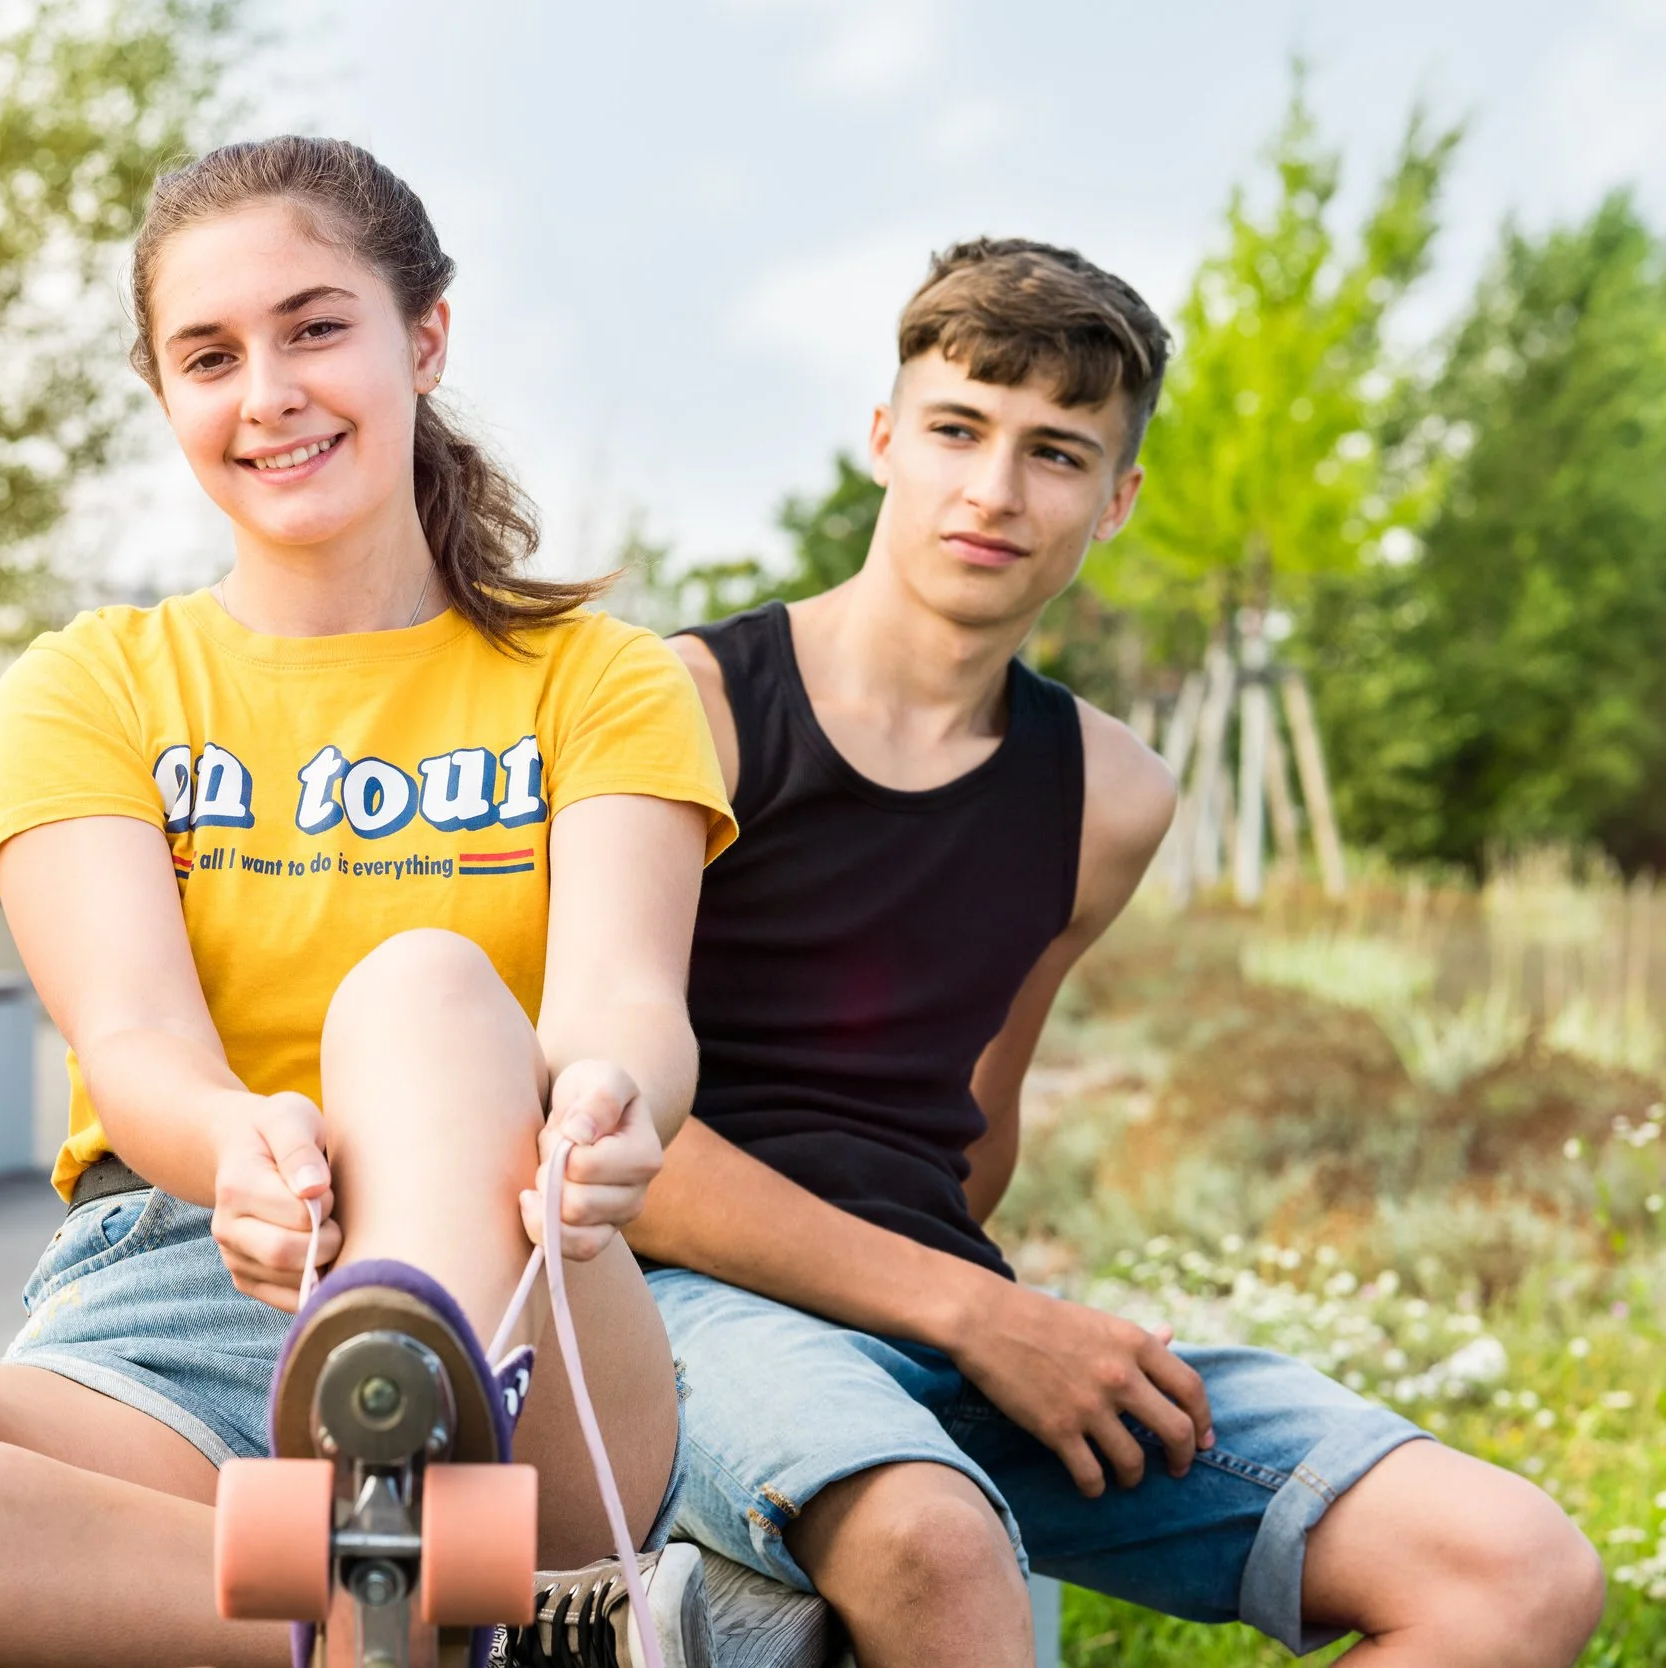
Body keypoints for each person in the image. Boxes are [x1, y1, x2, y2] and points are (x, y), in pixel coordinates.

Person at [0, 136, 735, 1668]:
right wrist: (239, 1149)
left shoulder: (601, 676)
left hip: (522, 1315)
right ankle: (432, 1618)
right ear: (164, 394)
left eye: (316, 327)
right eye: (210, 355)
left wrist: (620, 1104)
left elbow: (627, 1003)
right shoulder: (89, 687)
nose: (269, 393)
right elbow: (136, 1039)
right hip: (179, 1297)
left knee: (423, 992)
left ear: (424, 338)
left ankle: (421, 1498)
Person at [625, 239, 1606, 1668]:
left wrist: (975, 1323)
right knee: (929, 1534)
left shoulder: (1111, 794)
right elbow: (605, 1144)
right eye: (958, 429)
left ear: (1117, 501)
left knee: (1515, 1571)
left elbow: (971, 1123)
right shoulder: (684, 705)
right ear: (886, 437)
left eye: (1058, 453)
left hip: (942, 1332)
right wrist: (987, 1316)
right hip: (691, 1320)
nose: (995, 490)